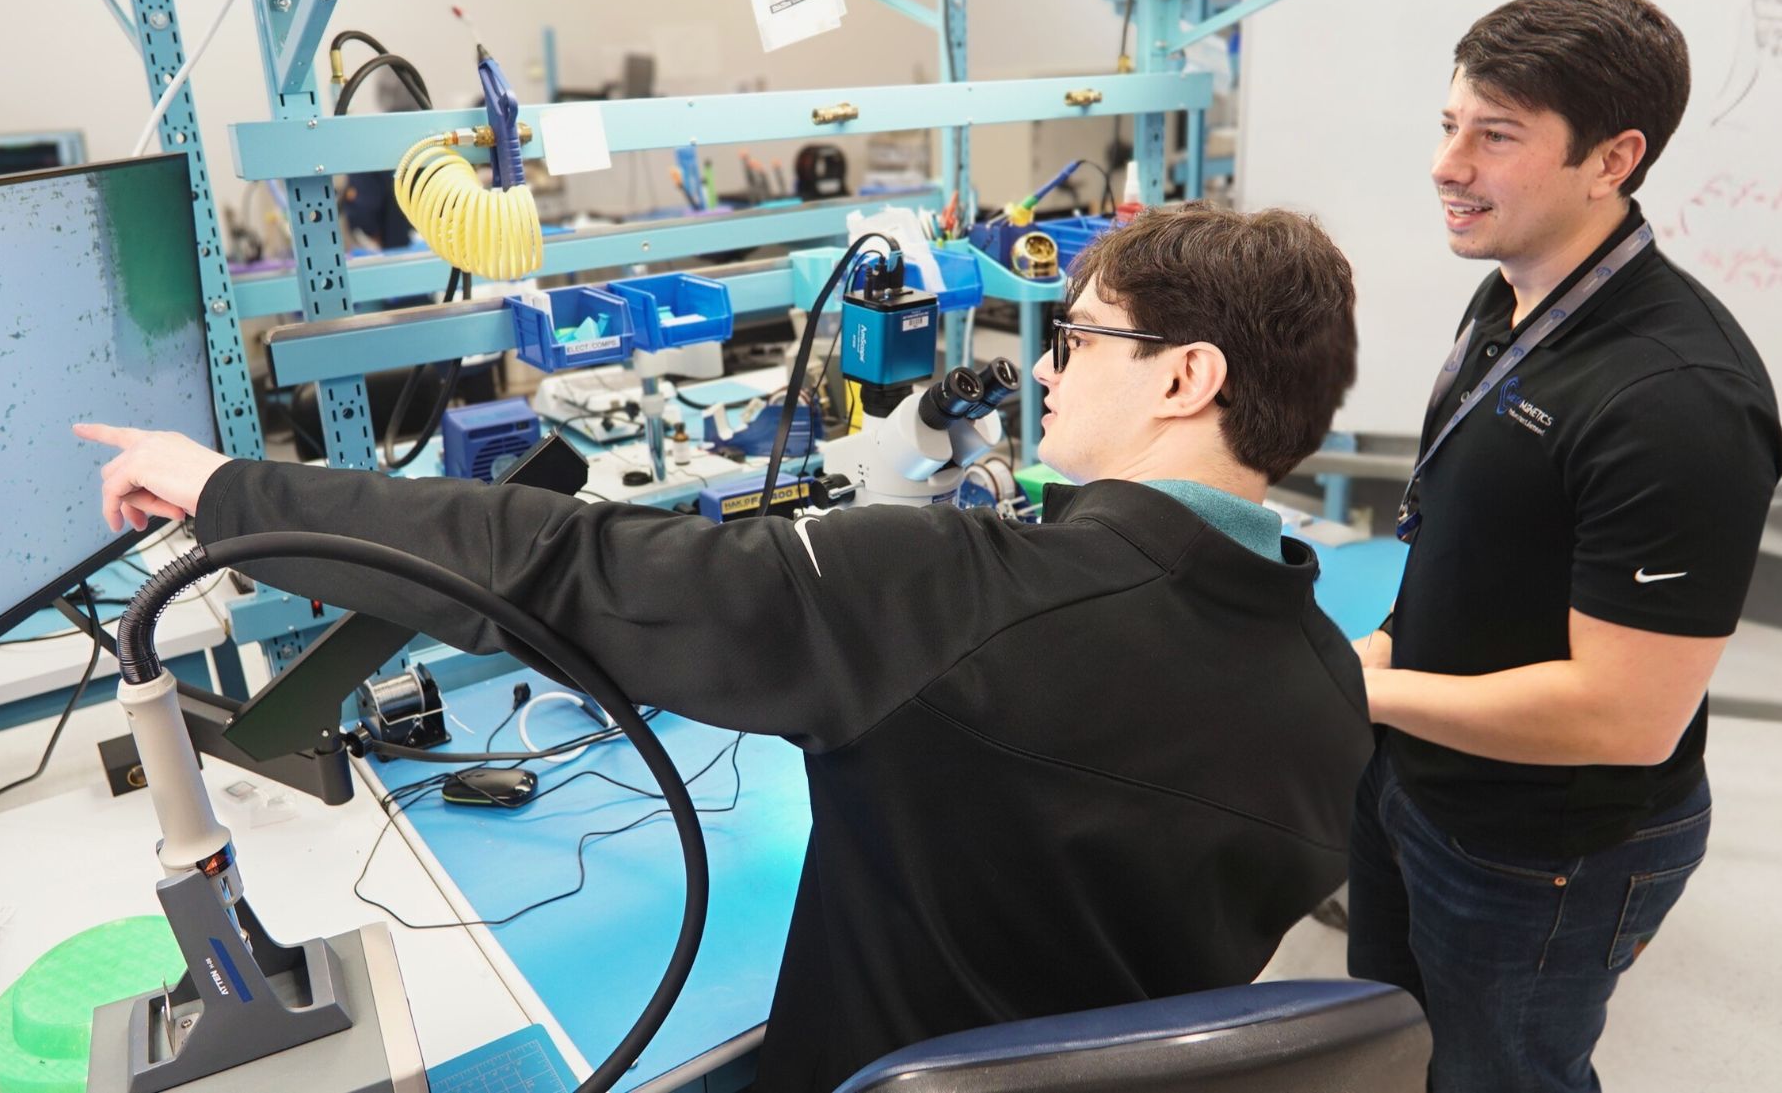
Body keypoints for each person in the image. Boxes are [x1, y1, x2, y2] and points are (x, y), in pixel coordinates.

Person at [78, 204, 1375, 1093]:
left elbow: (563, 564)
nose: (1044, 370)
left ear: (1182, 376)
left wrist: (232, 494)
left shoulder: (947, 592)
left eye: (1080, 337)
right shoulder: (1331, 689)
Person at [1345, 0, 1782, 1091]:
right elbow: (1467, 524)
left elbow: (1624, 716)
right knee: (1390, 1051)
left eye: (1494, 136)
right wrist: (1382, 660)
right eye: (1449, 125)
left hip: (1540, 848)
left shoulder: (1674, 398)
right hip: (1417, 776)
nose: (1448, 165)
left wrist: (1354, 692)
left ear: (1612, 158)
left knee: (1498, 1073)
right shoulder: (1512, 297)